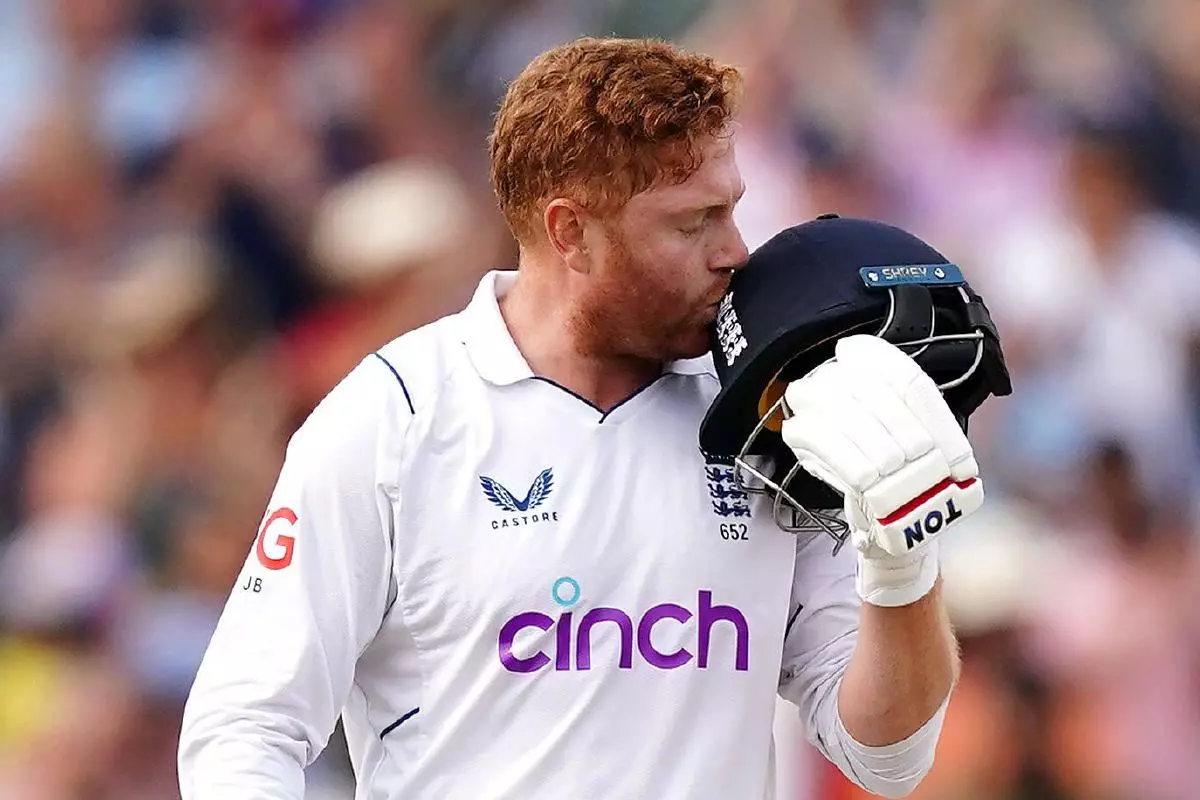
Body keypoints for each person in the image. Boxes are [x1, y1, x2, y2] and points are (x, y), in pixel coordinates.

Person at [177, 37, 994, 799]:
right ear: (572, 233)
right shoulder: (397, 414)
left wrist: (900, 572)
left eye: (731, 208)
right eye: (692, 222)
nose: (735, 251)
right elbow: (244, 727)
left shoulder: (767, 410)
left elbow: (887, 757)